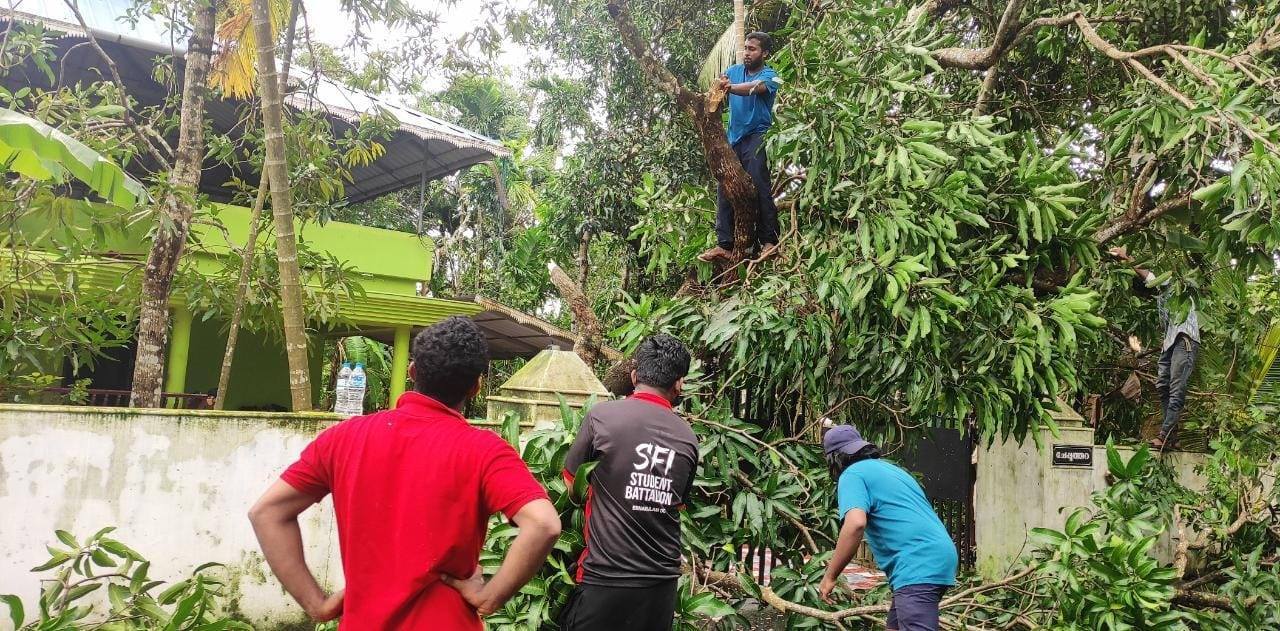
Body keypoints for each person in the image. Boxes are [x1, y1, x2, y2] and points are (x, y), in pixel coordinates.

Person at [248, 317, 561, 629]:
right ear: (476, 387)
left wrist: (317, 604)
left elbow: (268, 512)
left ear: (413, 371)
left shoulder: (344, 439)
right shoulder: (484, 451)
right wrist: (491, 597)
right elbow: (543, 524)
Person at [559, 334, 699, 631]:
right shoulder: (688, 437)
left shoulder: (601, 417)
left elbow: (572, 486)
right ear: (679, 384)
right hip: (660, 588)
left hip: (604, 578)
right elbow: (678, 504)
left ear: (635, 375)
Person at [818, 425, 957, 631]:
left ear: (833, 459)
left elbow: (855, 524)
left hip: (917, 562)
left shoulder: (852, 475)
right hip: (937, 556)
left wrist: (830, 576)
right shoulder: (892, 470)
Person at [698, 31, 782, 264]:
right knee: (725, 185)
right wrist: (719, 86)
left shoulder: (771, 76)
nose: (747, 52)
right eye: (746, 48)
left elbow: (755, 88)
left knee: (759, 183)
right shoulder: (734, 72)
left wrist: (729, 88)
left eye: (752, 49)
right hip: (734, 139)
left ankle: (769, 241)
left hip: (757, 136)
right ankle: (725, 244)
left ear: (764, 53)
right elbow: (718, 88)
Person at [1108, 246, 1199, 450]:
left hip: (1184, 341)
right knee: (1162, 387)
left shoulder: (1172, 286)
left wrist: (1127, 257)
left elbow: (1150, 276)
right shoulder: (1160, 301)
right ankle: (1171, 438)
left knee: (1176, 390)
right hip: (1170, 345)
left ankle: (1164, 434)